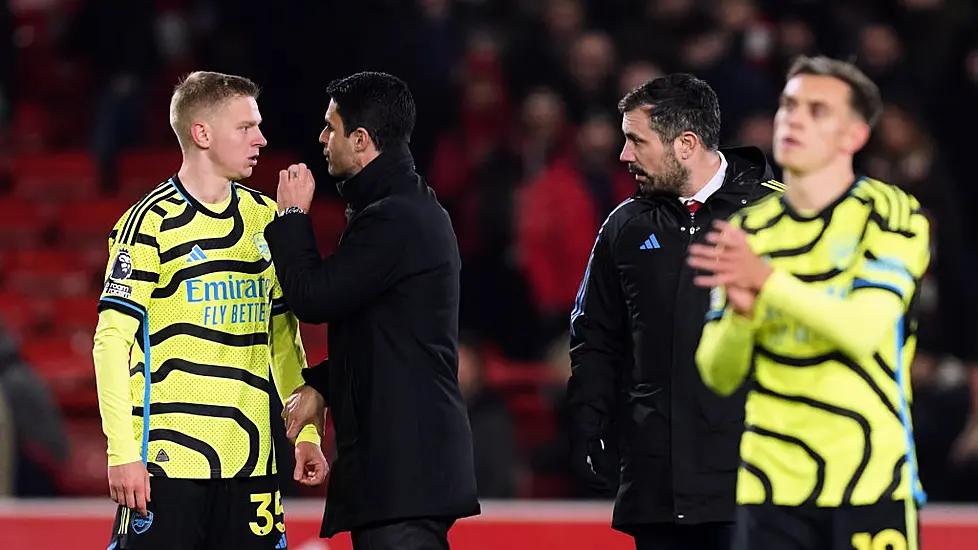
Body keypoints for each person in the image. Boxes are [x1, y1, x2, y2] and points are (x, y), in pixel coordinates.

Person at [690, 56, 929, 550]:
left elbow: (864, 331)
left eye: (817, 110)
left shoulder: (891, 214)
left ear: (854, 136)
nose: (793, 119)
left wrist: (768, 283)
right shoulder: (747, 230)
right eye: (788, 105)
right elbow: (717, 372)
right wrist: (741, 315)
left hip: (869, 480)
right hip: (769, 486)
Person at [92, 71, 327, 550]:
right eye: (245, 127)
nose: (261, 139)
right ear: (201, 134)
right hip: (164, 465)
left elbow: (283, 335)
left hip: (252, 465)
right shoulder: (149, 223)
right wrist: (121, 451)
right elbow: (110, 341)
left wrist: (308, 435)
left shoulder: (267, 219)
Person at [566, 73, 784, 550]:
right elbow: (595, 337)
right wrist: (588, 420)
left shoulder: (777, 218)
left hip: (754, 482)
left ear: (685, 144)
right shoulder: (624, 225)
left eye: (635, 140)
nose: (624, 155)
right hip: (656, 485)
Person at [264, 71, 480, 550]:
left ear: (360, 141)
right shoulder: (399, 208)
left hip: (404, 474)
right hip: (403, 475)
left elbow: (313, 298)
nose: (321, 139)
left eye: (331, 128)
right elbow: (381, 336)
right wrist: (322, 387)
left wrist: (293, 218)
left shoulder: (395, 216)